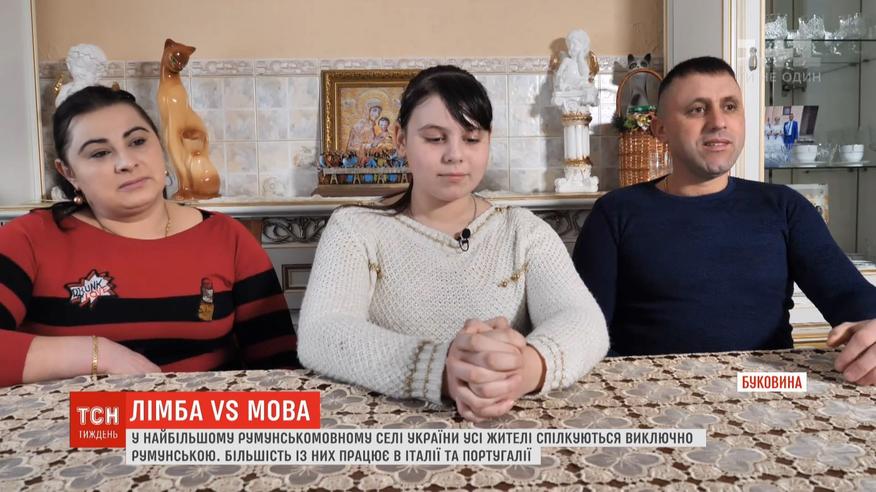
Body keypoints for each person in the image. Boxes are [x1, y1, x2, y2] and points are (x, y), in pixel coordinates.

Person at [298, 65, 608, 422]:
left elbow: (582, 319)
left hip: (503, 427)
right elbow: (322, 331)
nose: (455, 155)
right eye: (435, 138)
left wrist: (524, 369)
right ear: (400, 139)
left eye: (472, 139)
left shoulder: (523, 232)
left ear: (488, 140)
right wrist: (442, 369)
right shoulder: (355, 228)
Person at [573, 56, 876, 386]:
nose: (718, 122)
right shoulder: (615, 213)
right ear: (661, 130)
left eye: (730, 107)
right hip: (651, 393)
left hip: (763, 387)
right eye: (697, 109)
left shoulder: (785, 207)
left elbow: (850, 295)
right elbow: (583, 329)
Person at [0, 86, 298, 387]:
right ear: (69, 173)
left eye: (138, 141)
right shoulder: (28, 239)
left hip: (204, 415)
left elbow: (279, 367)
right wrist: (97, 354)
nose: (126, 162)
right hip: (79, 416)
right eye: (99, 153)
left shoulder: (227, 237)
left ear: (161, 146)